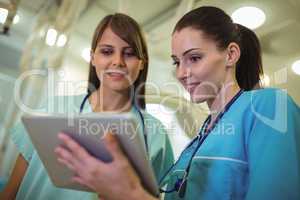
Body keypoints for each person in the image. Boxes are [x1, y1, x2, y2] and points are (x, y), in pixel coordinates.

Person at [55, 6, 300, 200]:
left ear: (231, 54)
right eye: (176, 62)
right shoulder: (197, 143)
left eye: (194, 58)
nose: (182, 73)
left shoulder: (268, 107)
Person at [0, 13, 174, 200]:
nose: (118, 61)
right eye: (107, 51)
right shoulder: (52, 109)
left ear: (142, 64)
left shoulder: (155, 135)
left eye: (129, 53)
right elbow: (12, 189)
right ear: (93, 58)